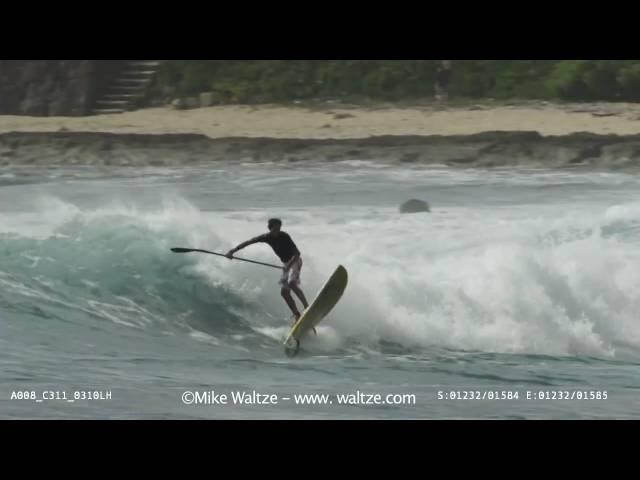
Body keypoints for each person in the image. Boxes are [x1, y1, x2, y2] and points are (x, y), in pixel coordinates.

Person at [225, 218, 310, 324]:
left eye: (279, 228)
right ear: (270, 228)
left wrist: (289, 265)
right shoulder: (266, 237)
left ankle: (307, 307)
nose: (278, 230)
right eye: (275, 228)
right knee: (284, 293)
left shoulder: (284, 236)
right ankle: (296, 314)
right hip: (286, 265)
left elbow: (297, 254)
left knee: (292, 283)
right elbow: (249, 242)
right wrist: (232, 251)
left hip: (295, 261)